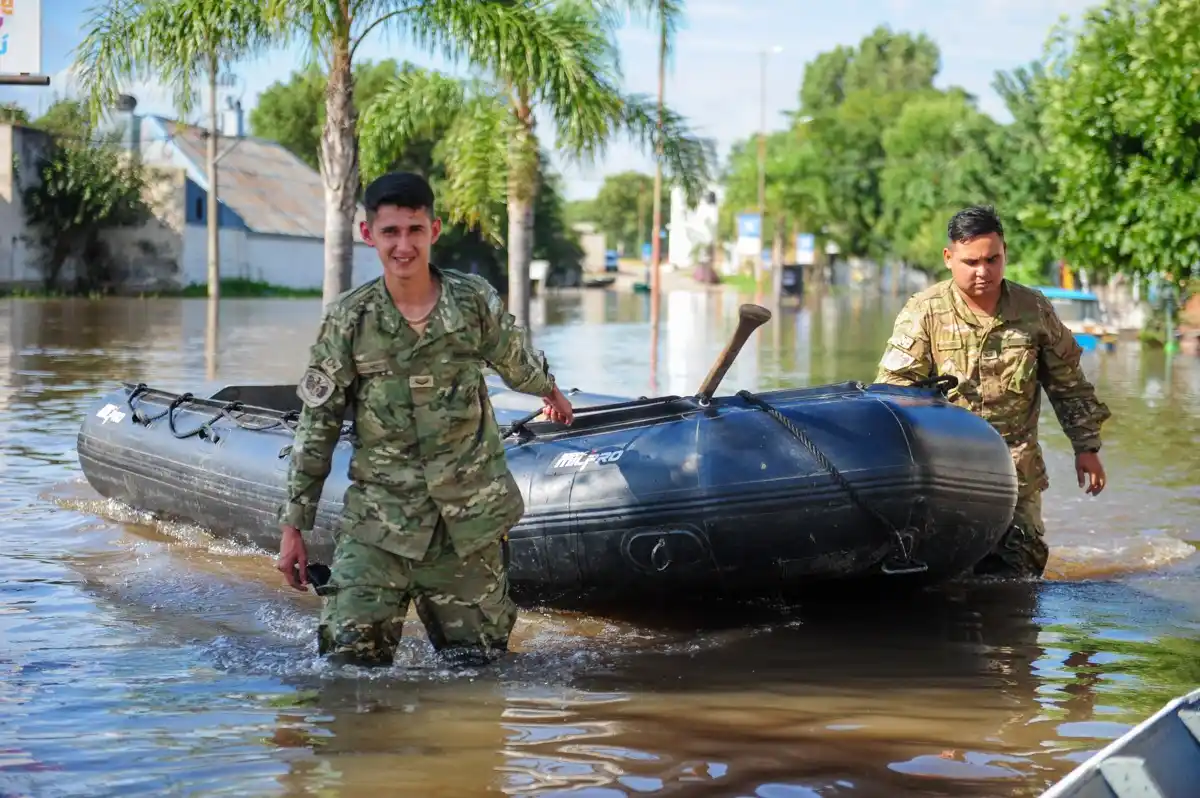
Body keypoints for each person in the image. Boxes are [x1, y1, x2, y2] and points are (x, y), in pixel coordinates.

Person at [274, 171, 575, 668]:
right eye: (390, 232)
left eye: (414, 230)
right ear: (369, 235)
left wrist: (551, 392)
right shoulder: (349, 320)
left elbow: (514, 358)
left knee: (478, 674)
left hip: (467, 527)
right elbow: (318, 424)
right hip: (379, 525)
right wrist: (293, 528)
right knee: (346, 669)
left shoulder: (473, 301)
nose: (403, 245)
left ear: (433, 231)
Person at [873, 205, 1111, 578]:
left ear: (1004, 255)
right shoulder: (925, 312)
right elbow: (893, 394)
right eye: (971, 262)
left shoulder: (1033, 309)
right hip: (949, 470)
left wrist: (1088, 448)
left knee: (1019, 576)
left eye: (992, 259)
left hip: (1017, 468)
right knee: (948, 576)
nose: (983, 271)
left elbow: (1068, 383)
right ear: (949, 258)